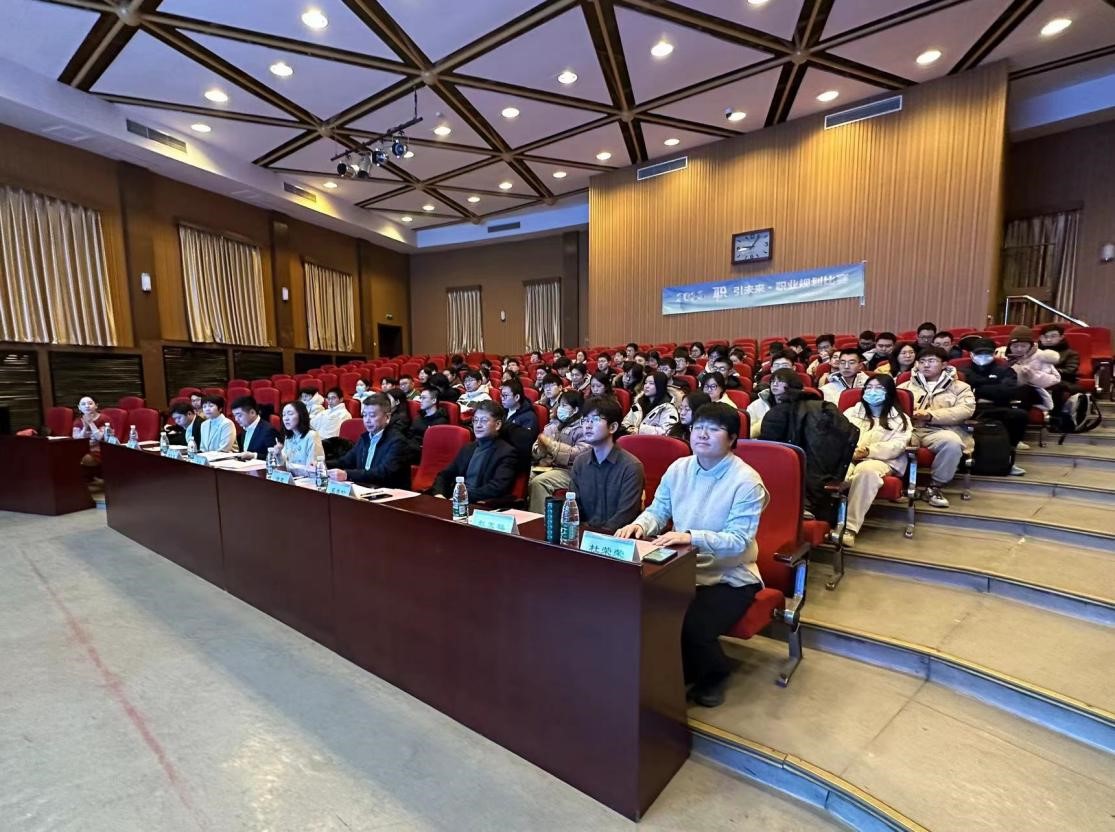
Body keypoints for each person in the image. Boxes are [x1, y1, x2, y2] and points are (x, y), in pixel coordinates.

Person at [616, 403, 767, 708]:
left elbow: (739, 541)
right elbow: (659, 510)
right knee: (639, 608)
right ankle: (670, 669)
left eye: (714, 429)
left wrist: (690, 536)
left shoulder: (747, 481)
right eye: (698, 427)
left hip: (729, 576)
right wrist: (639, 525)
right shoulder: (679, 468)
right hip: (681, 568)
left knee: (691, 624)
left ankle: (715, 674)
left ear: (732, 438)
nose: (702, 435)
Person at [839, 376, 913, 546]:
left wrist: (868, 451)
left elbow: (898, 445)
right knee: (835, 469)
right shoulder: (850, 413)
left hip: (882, 460)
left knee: (866, 471)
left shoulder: (900, 419)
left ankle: (849, 527)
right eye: (869, 387)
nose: (872, 391)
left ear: (889, 392)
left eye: (878, 388)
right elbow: (836, 435)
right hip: (849, 457)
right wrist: (849, 451)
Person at [898, 347, 976, 508]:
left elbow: (966, 410)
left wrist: (930, 415)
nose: (926, 365)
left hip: (941, 429)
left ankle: (934, 487)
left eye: (931, 361)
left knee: (952, 443)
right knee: (892, 442)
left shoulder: (960, 387)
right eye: (922, 361)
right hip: (910, 428)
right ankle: (901, 485)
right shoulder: (905, 386)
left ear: (944, 364)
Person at [431, 400, 518, 502]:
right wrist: (439, 494)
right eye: (475, 420)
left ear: (498, 425)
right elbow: (444, 475)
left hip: (480, 504)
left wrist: (461, 497)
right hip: (454, 501)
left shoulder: (506, 452)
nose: (478, 425)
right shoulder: (468, 448)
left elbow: (496, 488)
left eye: (484, 420)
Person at [964, 338, 1032, 468]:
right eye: (979, 354)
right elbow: (962, 390)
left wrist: (977, 389)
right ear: (971, 354)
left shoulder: (1005, 370)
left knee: (1020, 415)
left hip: (998, 407)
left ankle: (1009, 449)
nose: (983, 357)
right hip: (971, 409)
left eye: (987, 353)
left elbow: (1008, 391)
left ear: (994, 354)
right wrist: (993, 387)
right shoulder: (963, 371)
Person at [328, 394, 410, 487]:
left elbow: (383, 473)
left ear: (387, 417)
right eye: (364, 415)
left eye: (372, 415)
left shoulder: (398, 441)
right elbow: (346, 461)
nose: (367, 420)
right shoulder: (365, 438)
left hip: (390, 492)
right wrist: (322, 465)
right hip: (365, 488)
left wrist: (347, 474)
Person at [529, 391, 588, 511]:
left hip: (571, 471)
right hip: (549, 467)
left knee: (540, 482)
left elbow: (580, 454)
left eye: (564, 406)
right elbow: (537, 447)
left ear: (575, 410)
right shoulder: (553, 425)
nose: (560, 408)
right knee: (527, 474)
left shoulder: (583, 428)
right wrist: (540, 450)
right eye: (560, 405)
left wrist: (552, 446)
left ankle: (542, 519)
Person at [999, 326, 1061, 411]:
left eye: (1023, 346)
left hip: (1036, 392)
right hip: (1011, 389)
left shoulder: (1041, 356)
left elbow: (1055, 379)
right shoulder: (1004, 356)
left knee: (1024, 391)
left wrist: (1032, 375)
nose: (1019, 349)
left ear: (1031, 345)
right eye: (1015, 346)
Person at [622, 371, 679, 435]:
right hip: (632, 438)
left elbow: (667, 431)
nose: (646, 386)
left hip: (652, 441)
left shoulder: (668, 408)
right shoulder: (638, 404)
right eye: (645, 383)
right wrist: (630, 429)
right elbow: (626, 422)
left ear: (660, 385)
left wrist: (639, 430)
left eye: (651, 383)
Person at [277, 400, 325, 476]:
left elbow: (312, 470)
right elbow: (283, 466)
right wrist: (278, 454)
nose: (286, 418)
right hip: (292, 478)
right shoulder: (289, 436)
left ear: (301, 415)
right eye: (284, 415)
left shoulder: (311, 436)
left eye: (290, 414)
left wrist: (288, 466)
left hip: (308, 480)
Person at [231, 395, 279, 460]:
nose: (236, 419)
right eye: (234, 416)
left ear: (252, 413)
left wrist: (254, 455)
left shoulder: (268, 431)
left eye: (239, 415)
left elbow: (275, 456)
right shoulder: (245, 428)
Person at [407, 386, 449, 454]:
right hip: (410, 448)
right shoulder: (418, 417)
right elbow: (409, 435)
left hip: (423, 452)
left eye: (424, 398)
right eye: (420, 398)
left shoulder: (441, 422)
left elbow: (434, 445)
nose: (420, 401)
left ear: (433, 400)